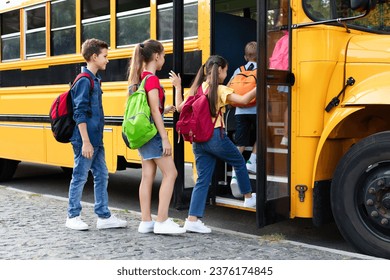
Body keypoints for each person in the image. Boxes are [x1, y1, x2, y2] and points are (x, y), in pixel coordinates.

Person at [170, 55, 257, 234]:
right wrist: (260, 86)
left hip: (198, 141)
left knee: (202, 179)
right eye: (226, 70)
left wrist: (178, 86)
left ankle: (192, 220)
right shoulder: (219, 90)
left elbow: (179, 108)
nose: (226, 73)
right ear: (220, 71)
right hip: (215, 136)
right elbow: (243, 101)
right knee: (239, 161)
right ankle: (248, 197)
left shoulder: (197, 88)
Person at [66, 38, 127, 231]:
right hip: (85, 140)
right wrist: (85, 142)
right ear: (94, 57)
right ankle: (72, 216)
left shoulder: (94, 80)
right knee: (80, 176)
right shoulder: (84, 81)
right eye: (105, 56)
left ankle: (103, 216)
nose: (107, 60)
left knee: (101, 175)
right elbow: (79, 113)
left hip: (95, 139)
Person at [128, 39, 185, 235]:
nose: (164, 59)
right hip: (153, 135)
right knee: (171, 174)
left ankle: (146, 221)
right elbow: (153, 109)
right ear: (156, 56)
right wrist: (164, 138)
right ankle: (162, 220)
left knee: (147, 176)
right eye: (164, 55)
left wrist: (164, 109)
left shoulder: (140, 78)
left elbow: (153, 108)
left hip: (143, 135)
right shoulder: (152, 80)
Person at [227, 41, 258, 198]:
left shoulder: (238, 70)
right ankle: (252, 160)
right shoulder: (261, 71)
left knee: (241, 142)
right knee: (264, 134)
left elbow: (228, 87)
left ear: (245, 56)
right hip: (256, 110)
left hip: (239, 111)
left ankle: (234, 172)